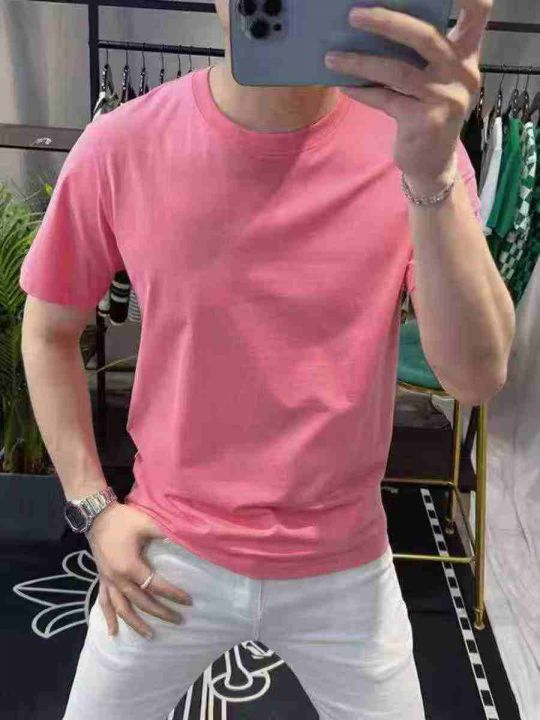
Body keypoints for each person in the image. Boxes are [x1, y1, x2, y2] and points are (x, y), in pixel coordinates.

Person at [20, 1, 515, 718]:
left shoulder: (415, 147)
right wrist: (94, 508)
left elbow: (476, 376)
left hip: (344, 564)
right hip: (168, 546)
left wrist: (431, 173)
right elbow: (48, 330)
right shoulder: (124, 143)